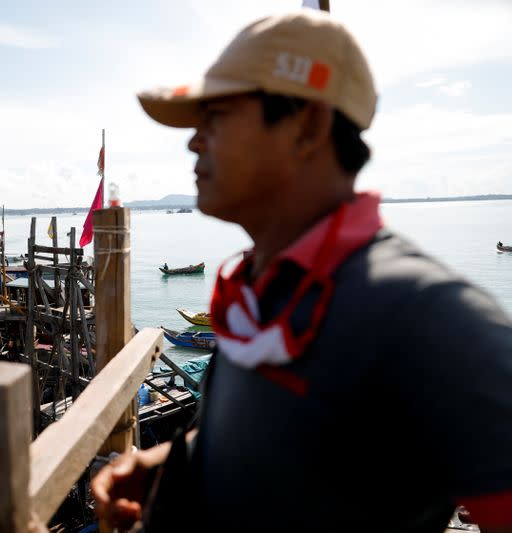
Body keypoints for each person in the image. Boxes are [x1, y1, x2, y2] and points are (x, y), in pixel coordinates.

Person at [91, 10, 512, 533]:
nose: (194, 141)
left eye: (216, 116)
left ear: (308, 126)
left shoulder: (429, 319)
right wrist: (167, 466)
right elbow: (287, 431)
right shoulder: (262, 295)